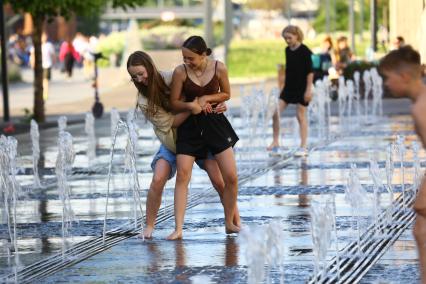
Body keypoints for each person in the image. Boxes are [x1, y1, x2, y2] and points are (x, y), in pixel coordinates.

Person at [126, 51, 240, 239]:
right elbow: (172, 123)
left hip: (201, 135)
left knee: (220, 182)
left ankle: (235, 221)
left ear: (149, 66)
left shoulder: (172, 77)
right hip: (173, 141)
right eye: (134, 77)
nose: (139, 79)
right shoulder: (144, 100)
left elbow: (204, 93)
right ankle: (148, 226)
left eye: (141, 73)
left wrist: (218, 104)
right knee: (158, 178)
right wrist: (191, 107)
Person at [167, 35, 240, 240]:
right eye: (184, 57)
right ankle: (178, 228)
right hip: (189, 126)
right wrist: (192, 105)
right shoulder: (180, 72)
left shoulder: (219, 68)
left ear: (203, 54)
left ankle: (229, 223)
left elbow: (226, 93)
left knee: (231, 177)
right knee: (182, 175)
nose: (186, 61)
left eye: (190, 58)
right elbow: (174, 103)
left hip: (215, 124)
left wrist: (207, 97)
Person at [379, 45, 426, 284]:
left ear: (404, 76)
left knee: (422, 232)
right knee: (419, 231)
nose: (385, 84)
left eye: (387, 78)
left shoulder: (421, 109)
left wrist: (423, 196)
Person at [267, 25, 314, 156]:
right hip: (288, 87)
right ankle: (275, 141)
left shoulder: (305, 51)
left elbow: (310, 72)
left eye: (289, 37)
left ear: (297, 36)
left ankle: (303, 146)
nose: (287, 40)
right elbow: (289, 70)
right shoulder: (287, 50)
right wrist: (281, 86)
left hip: (302, 87)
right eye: (285, 38)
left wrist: (308, 90)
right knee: (275, 112)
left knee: (300, 116)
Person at [30, 33, 56, 100]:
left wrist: (54, 62)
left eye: (45, 37)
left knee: (46, 80)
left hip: (47, 65)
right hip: (39, 65)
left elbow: (53, 55)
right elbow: (32, 56)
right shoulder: (35, 46)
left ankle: (45, 93)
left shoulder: (49, 45)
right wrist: (32, 63)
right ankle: (40, 93)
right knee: (40, 80)